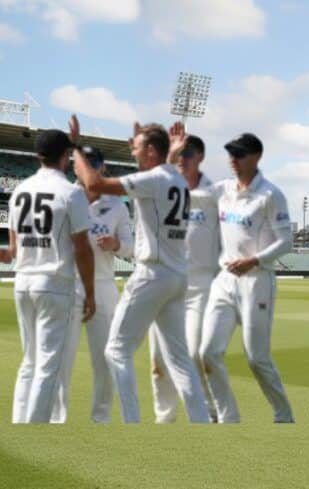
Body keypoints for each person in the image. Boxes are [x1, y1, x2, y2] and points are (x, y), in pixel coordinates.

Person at [73, 118, 209, 423]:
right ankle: (201, 421)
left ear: (150, 150)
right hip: (177, 276)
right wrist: (170, 153)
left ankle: (132, 422)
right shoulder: (176, 179)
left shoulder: (154, 180)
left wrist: (77, 147)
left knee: (116, 352)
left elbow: (93, 184)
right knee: (180, 361)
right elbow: (160, 173)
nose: (130, 147)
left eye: (136, 145)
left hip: (152, 275)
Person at [2, 117, 95, 423]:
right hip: (54, 284)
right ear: (65, 156)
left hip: (23, 283)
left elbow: (12, 251)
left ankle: (20, 421)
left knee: (29, 363)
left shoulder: (19, 192)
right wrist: (90, 293)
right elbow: (82, 248)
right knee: (47, 365)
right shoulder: (70, 193)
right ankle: (35, 428)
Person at [199, 133, 295, 423]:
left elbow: (286, 242)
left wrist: (254, 259)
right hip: (225, 280)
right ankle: (225, 416)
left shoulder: (270, 195)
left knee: (256, 358)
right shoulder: (224, 190)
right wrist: (173, 158)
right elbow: (189, 196)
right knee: (208, 352)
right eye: (231, 154)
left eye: (239, 154)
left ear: (256, 157)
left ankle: (284, 415)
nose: (233, 160)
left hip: (257, 281)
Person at [51, 146, 134, 423]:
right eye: (85, 164)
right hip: (69, 286)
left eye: (94, 165)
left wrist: (116, 244)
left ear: (102, 168)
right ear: (77, 167)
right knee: (62, 361)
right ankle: (56, 421)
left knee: (105, 360)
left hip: (103, 288)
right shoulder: (64, 198)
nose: (90, 170)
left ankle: (101, 419)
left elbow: (132, 248)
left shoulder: (117, 205)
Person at [149, 135, 219, 423]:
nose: (183, 160)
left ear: (200, 157)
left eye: (188, 155)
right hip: (164, 284)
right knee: (158, 363)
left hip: (199, 287)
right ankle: (164, 419)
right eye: (178, 155)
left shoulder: (214, 196)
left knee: (192, 352)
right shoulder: (165, 191)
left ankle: (210, 412)